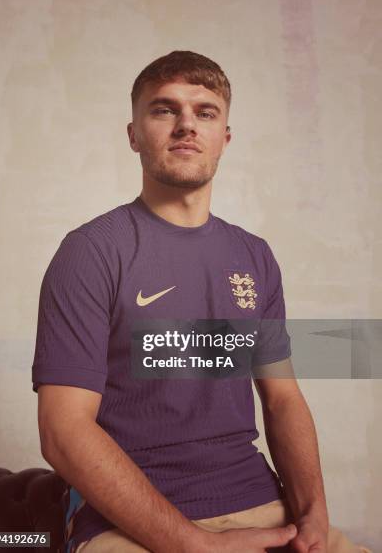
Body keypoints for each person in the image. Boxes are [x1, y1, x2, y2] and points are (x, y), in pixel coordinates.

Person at [32, 50, 372, 553]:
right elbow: (63, 431)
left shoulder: (253, 256)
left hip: (260, 506)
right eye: (164, 109)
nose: (186, 125)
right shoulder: (91, 251)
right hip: (129, 524)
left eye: (205, 112)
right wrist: (193, 543)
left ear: (224, 139)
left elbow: (282, 399)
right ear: (133, 135)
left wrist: (314, 515)